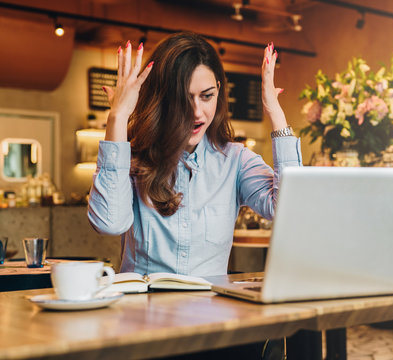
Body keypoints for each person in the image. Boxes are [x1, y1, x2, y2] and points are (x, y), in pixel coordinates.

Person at [87, 31, 302, 278]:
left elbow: (289, 209)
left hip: (210, 312)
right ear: (162, 99)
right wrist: (118, 116)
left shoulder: (236, 161)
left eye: (207, 96)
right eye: (183, 99)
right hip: (143, 311)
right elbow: (108, 223)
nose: (197, 112)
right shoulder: (134, 158)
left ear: (219, 91)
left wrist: (274, 111)